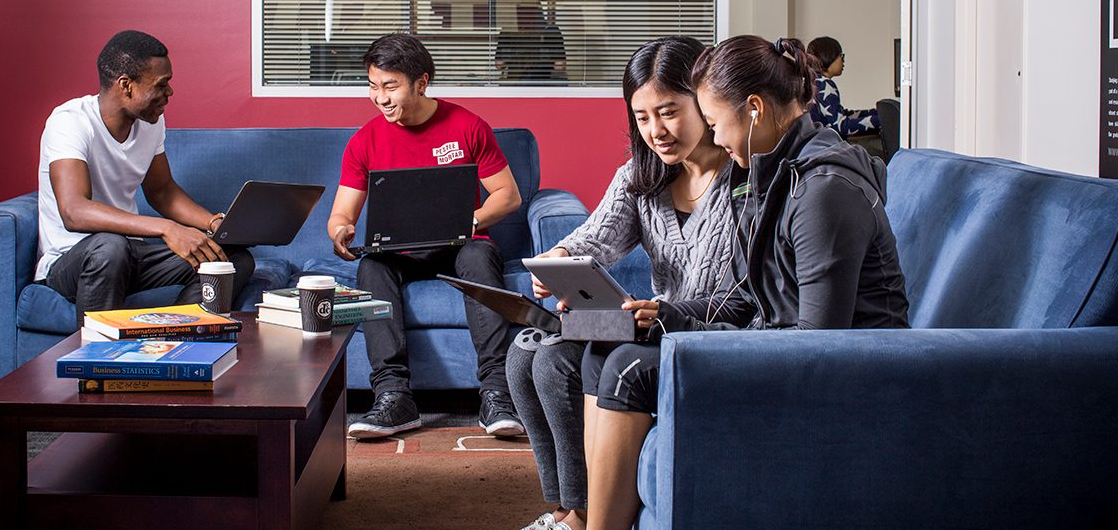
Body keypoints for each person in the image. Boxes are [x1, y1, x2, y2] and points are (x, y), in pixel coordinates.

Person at [581, 35, 910, 530]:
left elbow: (819, 346)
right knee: (607, 345)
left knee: (630, 369)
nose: (717, 138)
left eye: (715, 124)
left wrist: (690, 334)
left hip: (849, 377)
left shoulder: (823, 191)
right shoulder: (767, 173)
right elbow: (749, 295)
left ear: (754, 110)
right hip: (781, 347)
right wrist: (670, 317)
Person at [507, 36, 735, 530]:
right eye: (642, 117)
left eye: (669, 112)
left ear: (705, 99)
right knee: (526, 353)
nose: (657, 130)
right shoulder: (642, 174)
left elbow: (739, 299)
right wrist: (560, 259)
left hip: (692, 331)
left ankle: (586, 516)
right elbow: (596, 237)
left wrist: (666, 313)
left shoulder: (743, 177)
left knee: (554, 362)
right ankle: (567, 509)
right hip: (647, 323)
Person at [328, 33, 525, 439]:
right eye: (372, 86)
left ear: (421, 83)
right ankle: (394, 397)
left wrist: (468, 221)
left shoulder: (467, 126)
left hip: (461, 244)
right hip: (399, 250)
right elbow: (342, 213)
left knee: (477, 256)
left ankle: (497, 394)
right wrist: (340, 230)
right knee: (372, 266)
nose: (380, 97)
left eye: (390, 86)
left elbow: (508, 196)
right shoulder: (365, 140)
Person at [37, 30, 255, 325]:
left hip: (129, 255)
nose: (170, 93)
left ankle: (172, 333)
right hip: (74, 259)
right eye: (162, 85)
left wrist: (214, 223)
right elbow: (74, 211)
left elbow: (162, 191)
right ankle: (97, 366)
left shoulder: (150, 122)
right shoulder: (69, 122)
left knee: (227, 259)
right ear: (126, 86)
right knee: (110, 247)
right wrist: (166, 229)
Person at [806, 36, 879, 137]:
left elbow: (841, 115)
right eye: (841, 56)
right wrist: (880, 120)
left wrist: (875, 113)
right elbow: (841, 126)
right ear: (828, 56)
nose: (843, 61)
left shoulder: (813, 81)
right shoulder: (824, 84)